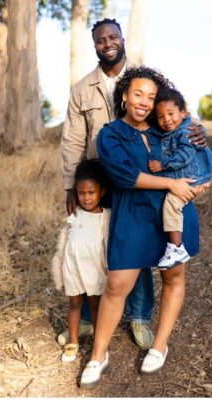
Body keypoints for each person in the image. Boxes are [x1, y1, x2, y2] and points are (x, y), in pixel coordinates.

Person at [80, 67, 203, 387]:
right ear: (123, 96)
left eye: (151, 96)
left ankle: (159, 345)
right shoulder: (110, 134)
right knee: (117, 284)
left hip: (173, 214)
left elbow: (193, 144)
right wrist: (170, 183)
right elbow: (124, 177)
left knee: (173, 277)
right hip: (133, 214)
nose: (145, 102)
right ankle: (98, 355)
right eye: (138, 94)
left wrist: (201, 134)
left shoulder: (166, 126)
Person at [60, 18, 155, 351]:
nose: (108, 43)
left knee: (134, 248)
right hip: (99, 180)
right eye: (101, 40)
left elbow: (172, 111)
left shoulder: (144, 78)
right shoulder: (83, 88)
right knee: (89, 245)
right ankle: (87, 317)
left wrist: (194, 131)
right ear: (95, 45)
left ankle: (140, 317)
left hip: (137, 180)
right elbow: (73, 139)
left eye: (113, 37)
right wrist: (71, 186)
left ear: (122, 39)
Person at [147, 85, 212, 269]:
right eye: (160, 116)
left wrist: (163, 165)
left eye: (171, 114)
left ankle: (176, 248)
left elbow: (184, 156)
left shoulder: (185, 132)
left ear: (184, 113)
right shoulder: (173, 130)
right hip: (192, 176)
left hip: (192, 177)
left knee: (172, 203)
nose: (166, 119)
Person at [50, 160, 110, 364]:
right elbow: (64, 241)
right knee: (74, 303)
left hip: (94, 269)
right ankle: (73, 342)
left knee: (95, 305)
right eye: (82, 193)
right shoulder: (74, 214)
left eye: (91, 192)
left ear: (101, 192)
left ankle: (98, 344)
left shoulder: (105, 217)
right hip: (73, 267)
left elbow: (107, 246)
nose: (86, 198)